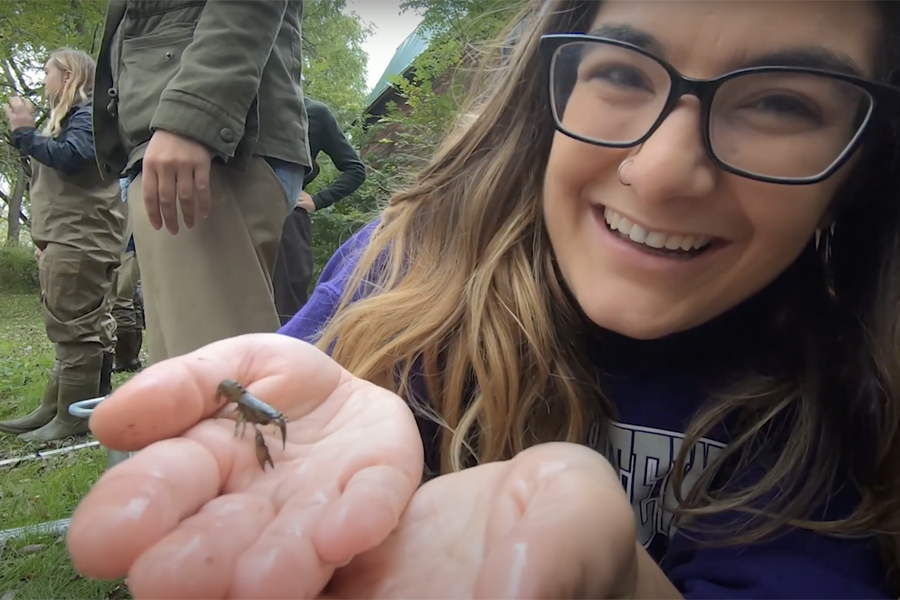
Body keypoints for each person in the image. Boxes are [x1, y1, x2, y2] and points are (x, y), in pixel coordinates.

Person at [66, 0, 900, 597]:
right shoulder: (400, 267)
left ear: (866, 159)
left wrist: (618, 579)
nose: (661, 171)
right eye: (620, 72)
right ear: (555, 86)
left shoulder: (839, 389)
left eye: (783, 102)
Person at [92, 0, 311, 366]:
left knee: (220, 386)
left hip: (211, 145)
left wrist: (194, 115)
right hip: (183, 141)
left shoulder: (194, 129)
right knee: (186, 376)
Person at [0, 49, 125, 442]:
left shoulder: (87, 115)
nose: (43, 81)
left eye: (48, 73)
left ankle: (72, 418)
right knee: (77, 322)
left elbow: (74, 159)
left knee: (75, 326)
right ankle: (59, 406)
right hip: (70, 235)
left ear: (68, 76)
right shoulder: (75, 117)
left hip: (80, 236)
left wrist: (23, 132)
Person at [274, 96, 367, 325]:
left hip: (288, 220)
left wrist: (317, 200)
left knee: (286, 305)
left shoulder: (313, 112)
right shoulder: (239, 100)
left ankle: (287, 358)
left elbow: (355, 170)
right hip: (232, 213)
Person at [110, 178, 143, 373]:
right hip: (130, 244)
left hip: (129, 245)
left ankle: (124, 357)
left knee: (121, 299)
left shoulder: (128, 181)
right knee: (131, 298)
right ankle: (131, 357)